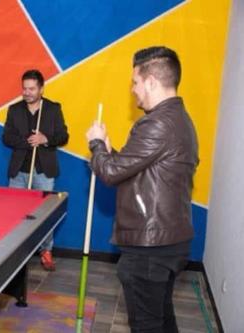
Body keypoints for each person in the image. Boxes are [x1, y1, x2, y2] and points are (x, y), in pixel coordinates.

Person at [86, 46, 199, 332]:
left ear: (150, 82)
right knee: (161, 318)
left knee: (147, 325)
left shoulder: (157, 123)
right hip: (166, 240)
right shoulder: (179, 119)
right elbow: (138, 169)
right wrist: (112, 153)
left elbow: (111, 173)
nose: (133, 90)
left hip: (150, 245)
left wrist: (97, 144)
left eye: (135, 82)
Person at [3, 69, 69, 271]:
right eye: (24, 88)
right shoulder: (15, 110)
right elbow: (6, 137)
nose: (27, 93)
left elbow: (63, 136)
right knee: (13, 213)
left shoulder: (53, 109)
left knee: (44, 214)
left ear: (41, 88)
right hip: (19, 170)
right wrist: (27, 141)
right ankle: (11, 251)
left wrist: (45, 139)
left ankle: (46, 251)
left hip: (44, 171)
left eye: (32, 89)